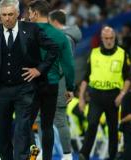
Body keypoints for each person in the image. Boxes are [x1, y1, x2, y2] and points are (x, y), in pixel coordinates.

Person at [0, 0, 59, 159]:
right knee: (2, 134)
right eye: (4, 15)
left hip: (25, 89)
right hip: (1, 91)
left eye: (10, 14)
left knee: (22, 131)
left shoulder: (31, 29)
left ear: (18, 14)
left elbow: (53, 48)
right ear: (0, 15)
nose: (7, 18)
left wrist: (39, 70)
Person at [28, 1, 75, 160]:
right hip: (52, 85)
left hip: (30, 84)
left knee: (26, 123)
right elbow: (68, 64)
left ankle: (31, 155)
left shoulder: (26, 32)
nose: (28, 16)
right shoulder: (60, 36)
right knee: (47, 125)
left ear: (35, 13)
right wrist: (70, 87)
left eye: (29, 13)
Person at [78, 26, 131, 160]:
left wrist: (122, 94)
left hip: (114, 97)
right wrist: (81, 98)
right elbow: (86, 77)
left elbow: (128, 79)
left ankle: (112, 156)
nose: (109, 41)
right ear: (101, 39)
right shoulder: (93, 53)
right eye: (106, 38)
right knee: (92, 123)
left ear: (115, 38)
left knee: (113, 128)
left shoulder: (122, 54)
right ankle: (84, 154)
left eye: (111, 38)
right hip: (95, 95)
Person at [48, 9, 82, 160]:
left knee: (54, 120)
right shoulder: (69, 37)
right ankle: (64, 155)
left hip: (55, 83)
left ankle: (66, 155)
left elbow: (63, 66)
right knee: (53, 120)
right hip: (61, 83)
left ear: (55, 22)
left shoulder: (63, 38)